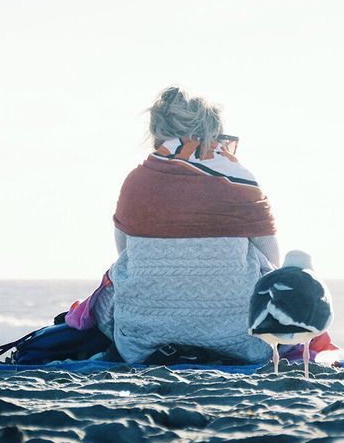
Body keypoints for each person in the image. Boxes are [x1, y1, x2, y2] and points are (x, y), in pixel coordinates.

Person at [92, 87, 280, 363]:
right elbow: (273, 261)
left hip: (140, 346)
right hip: (242, 345)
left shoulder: (137, 181)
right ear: (214, 132)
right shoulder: (238, 179)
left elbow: (124, 253)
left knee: (117, 278)